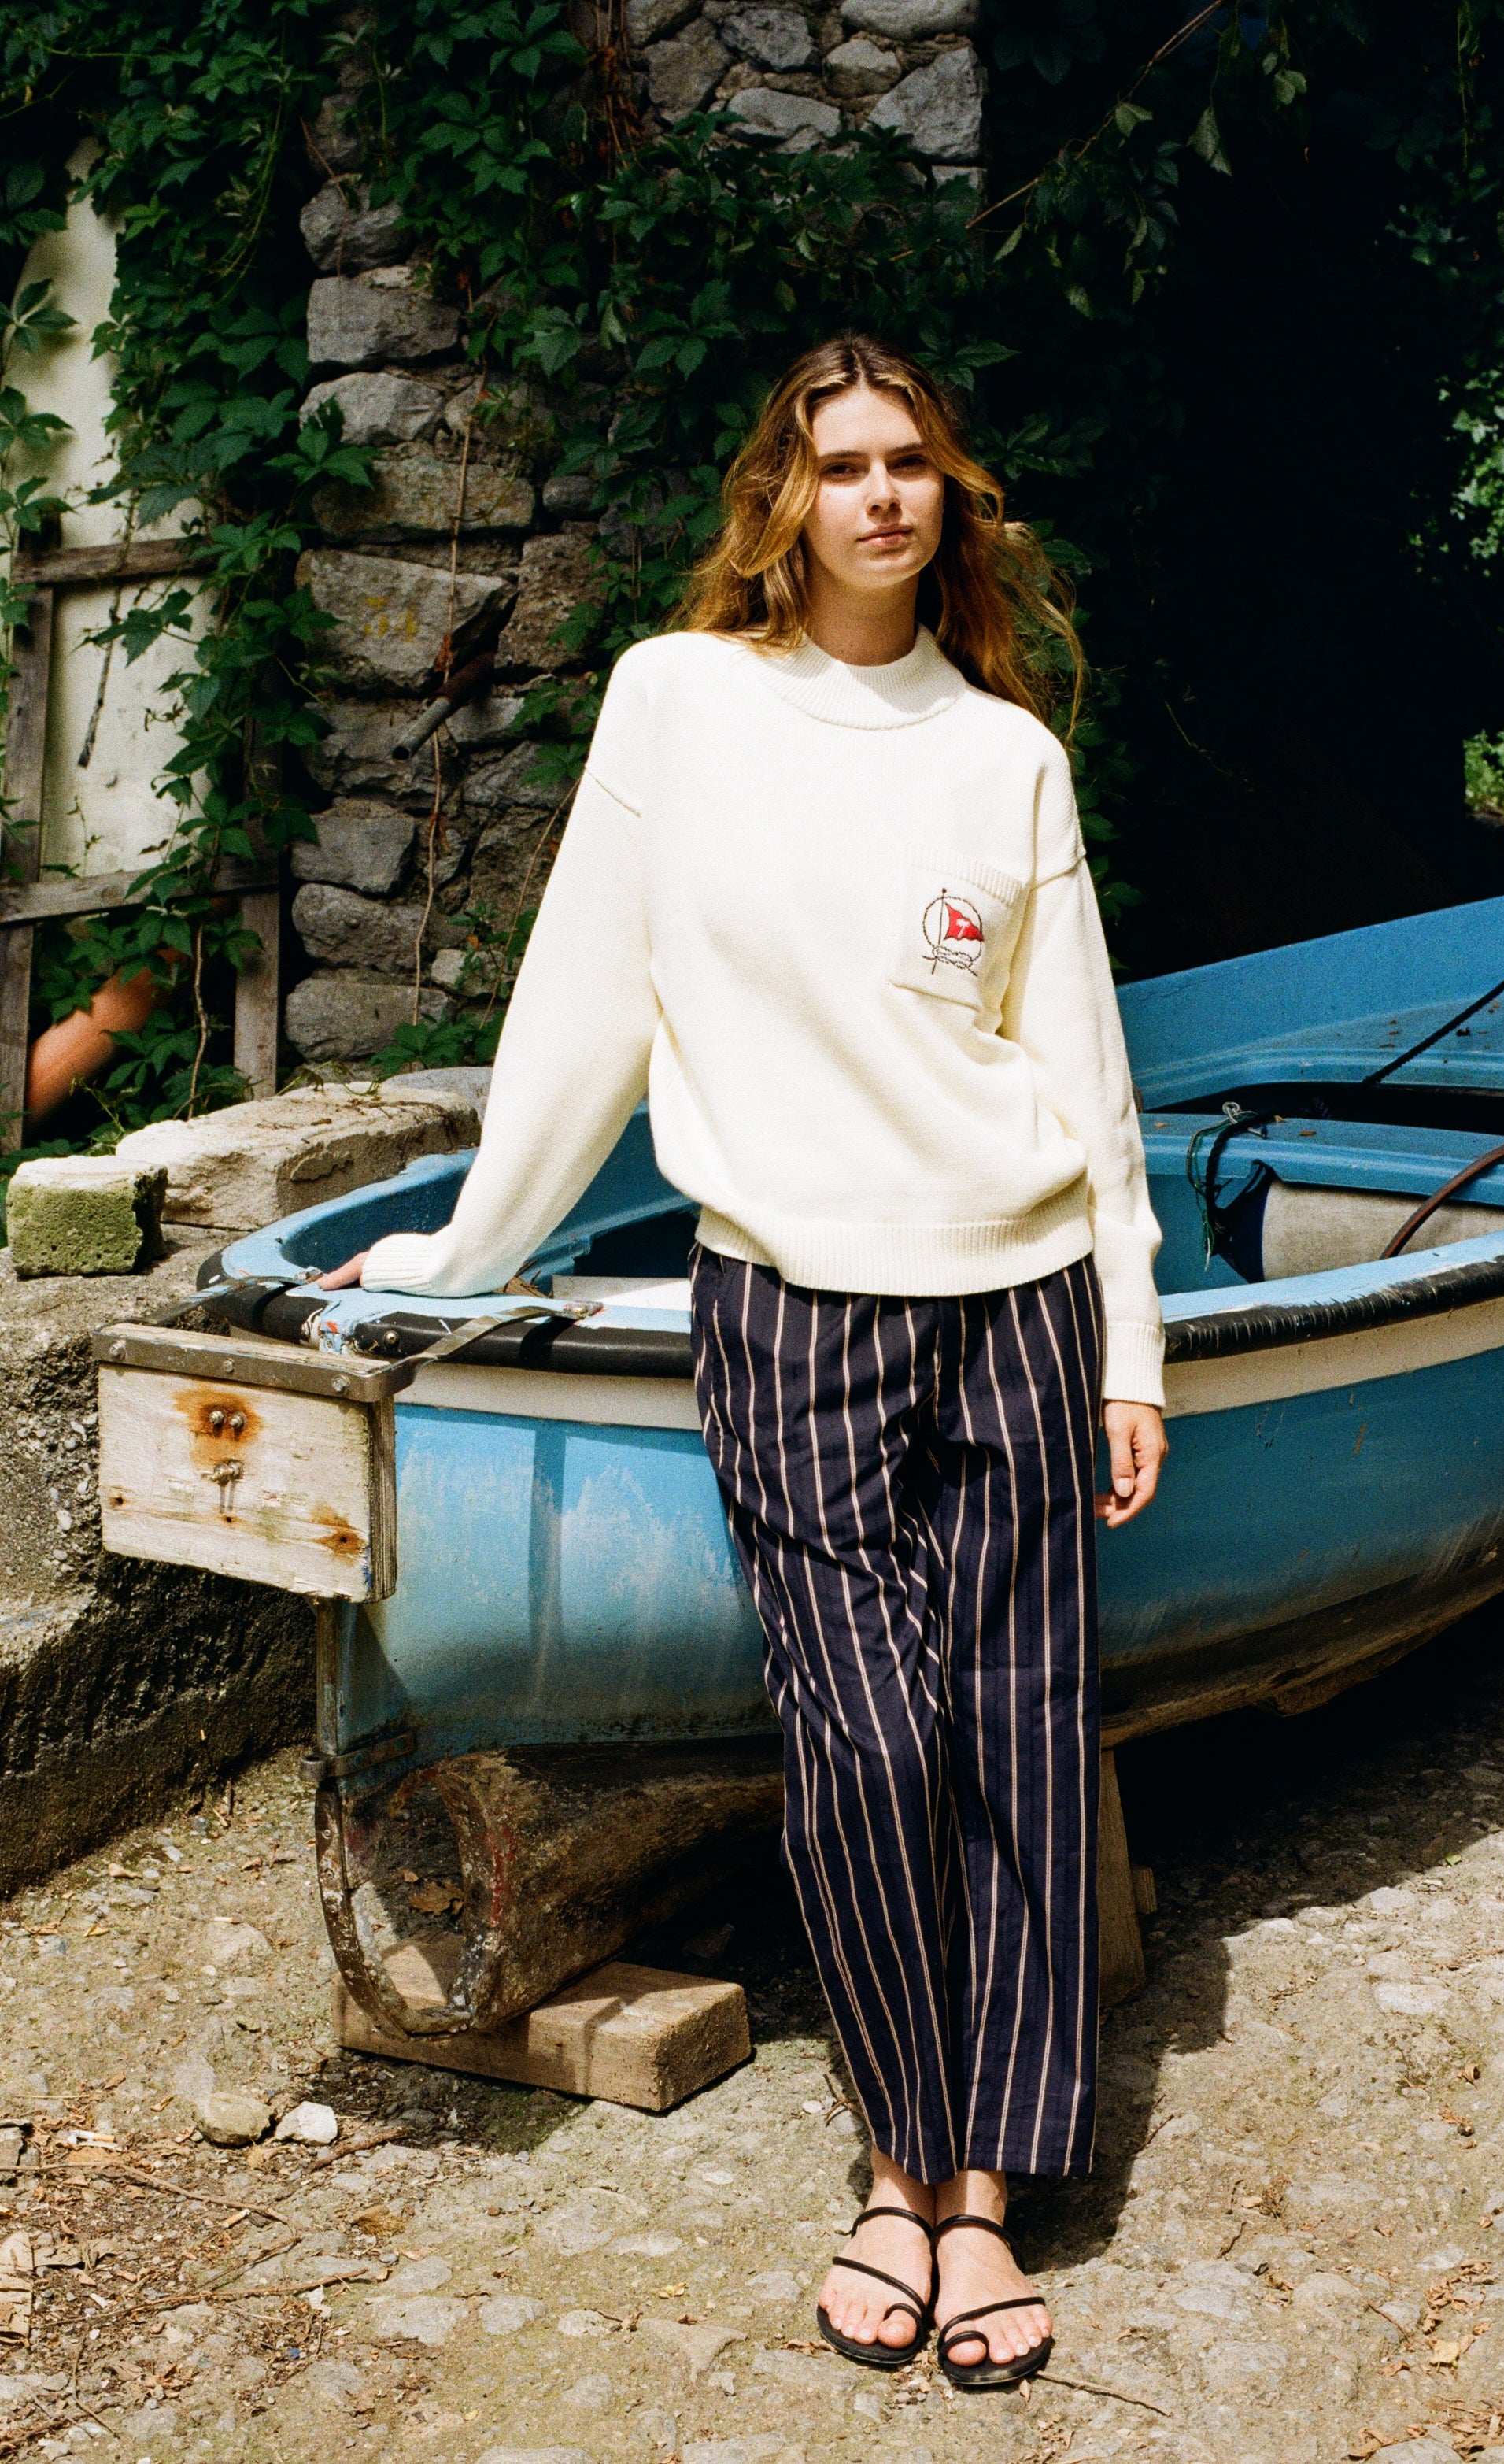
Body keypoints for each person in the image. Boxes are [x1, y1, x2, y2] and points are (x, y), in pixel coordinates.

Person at [317, 333, 1167, 2391]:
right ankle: (902, 2145)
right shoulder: (676, 701)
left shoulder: (1002, 758)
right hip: (785, 1299)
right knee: (867, 1743)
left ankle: (980, 2204)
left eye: (909, 465)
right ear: (779, 499)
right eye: (838, 462)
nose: (878, 494)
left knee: (1024, 1739)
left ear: (946, 501)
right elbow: (586, 992)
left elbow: (1083, 1076)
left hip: (1018, 1293)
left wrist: (1129, 1335)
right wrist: (478, 1235)